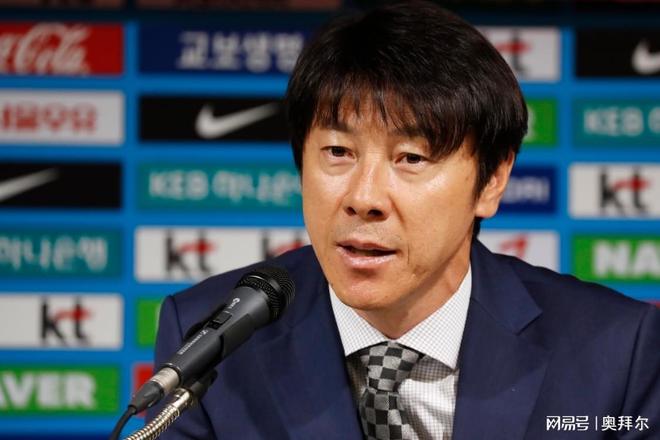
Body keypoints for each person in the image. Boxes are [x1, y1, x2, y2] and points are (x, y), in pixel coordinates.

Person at [149, 2, 660, 439]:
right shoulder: (212, 340)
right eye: (338, 151)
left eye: (411, 158)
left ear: (492, 180)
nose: (364, 198)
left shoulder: (616, 351)